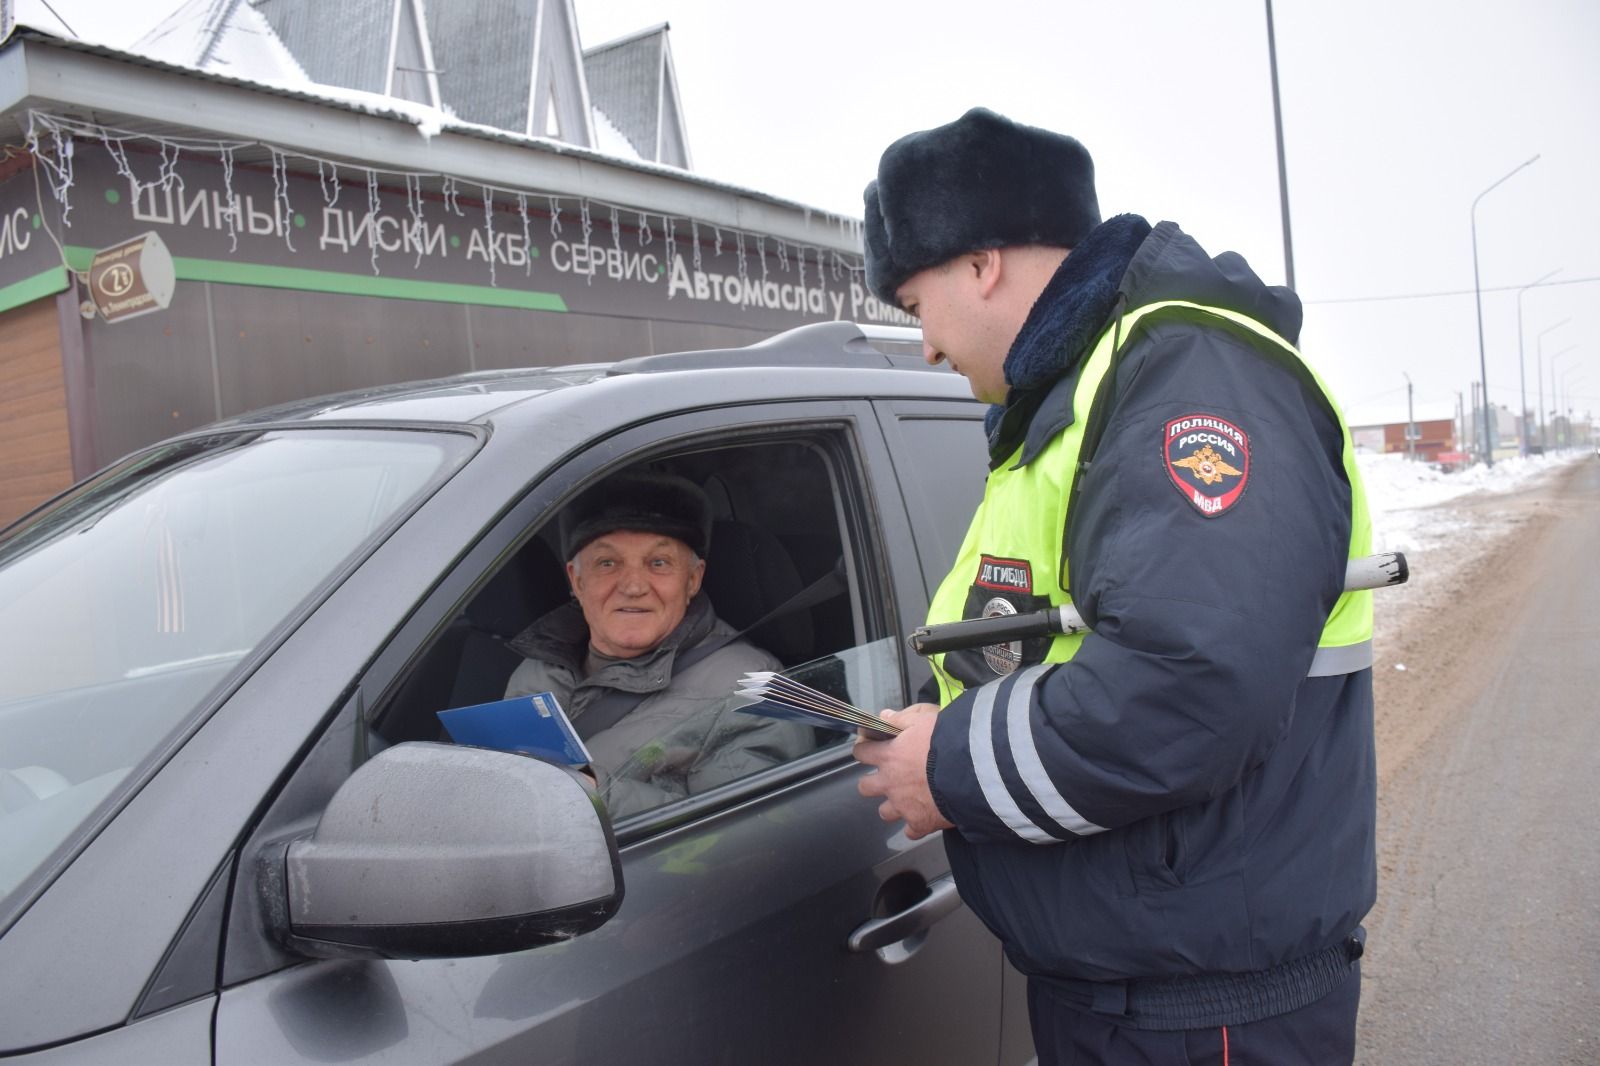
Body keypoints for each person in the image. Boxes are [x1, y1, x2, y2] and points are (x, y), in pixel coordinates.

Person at [851, 108, 1375, 1065]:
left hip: (1203, 1011)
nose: (923, 344)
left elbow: (1193, 682)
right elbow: (1029, 636)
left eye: (914, 302)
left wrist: (949, 766)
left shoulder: (1188, 375)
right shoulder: (1073, 399)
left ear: (981, 264)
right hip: (1130, 991)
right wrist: (929, 719)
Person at [505, 470, 812, 818]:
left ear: (693, 580)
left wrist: (585, 792)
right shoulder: (537, 669)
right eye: (608, 563)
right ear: (577, 580)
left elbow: (742, 839)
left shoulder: (754, 687)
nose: (634, 586)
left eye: (659, 563)